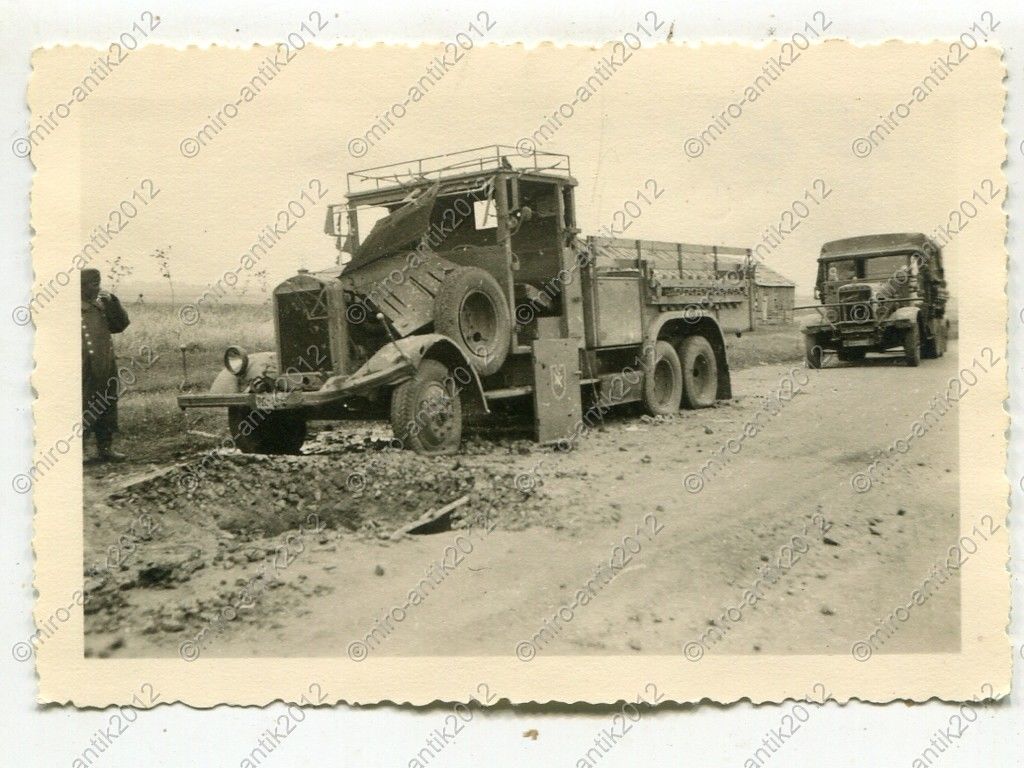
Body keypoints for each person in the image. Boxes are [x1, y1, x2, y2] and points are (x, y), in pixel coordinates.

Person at [81, 269, 130, 462]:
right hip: (85, 365)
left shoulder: (100, 306)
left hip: (105, 363)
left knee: (107, 404)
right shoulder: (71, 309)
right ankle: (80, 449)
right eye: (93, 284)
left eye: (99, 283)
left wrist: (112, 301)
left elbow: (120, 325)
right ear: (81, 286)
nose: (98, 288)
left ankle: (105, 447)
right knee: (84, 404)